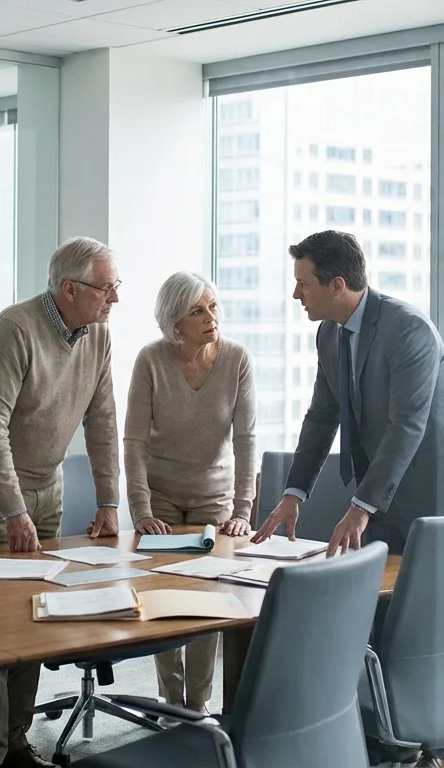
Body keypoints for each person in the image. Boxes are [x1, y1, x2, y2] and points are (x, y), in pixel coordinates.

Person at [250, 230, 444, 768]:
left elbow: (407, 427)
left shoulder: (409, 329)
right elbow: (322, 417)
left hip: (443, 493)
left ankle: (440, 754)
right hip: (387, 493)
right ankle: (384, 741)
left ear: (337, 284)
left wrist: (360, 507)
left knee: (431, 627)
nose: (296, 295)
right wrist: (293, 492)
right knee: (369, 611)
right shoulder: (330, 334)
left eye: (303, 284)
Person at [0, 236, 123, 768]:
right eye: (107, 288)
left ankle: (16, 741)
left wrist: (109, 499)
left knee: (33, 613)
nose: (115, 298)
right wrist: (12, 508)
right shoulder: (14, 330)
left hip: (47, 485)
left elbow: (102, 420)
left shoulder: (98, 335)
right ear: (70, 289)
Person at [124, 271, 256, 714]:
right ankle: (170, 702)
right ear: (174, 322)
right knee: (162, 595)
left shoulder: (236, 360)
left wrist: (242, 510)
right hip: (160, 497)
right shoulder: (151, 360)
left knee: (206, 599)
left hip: (214, 499)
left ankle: (197, 706)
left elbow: (246, 440)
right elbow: (134, 441)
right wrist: (141, 510)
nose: (210, 317)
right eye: (197, 311)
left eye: (212, 306)